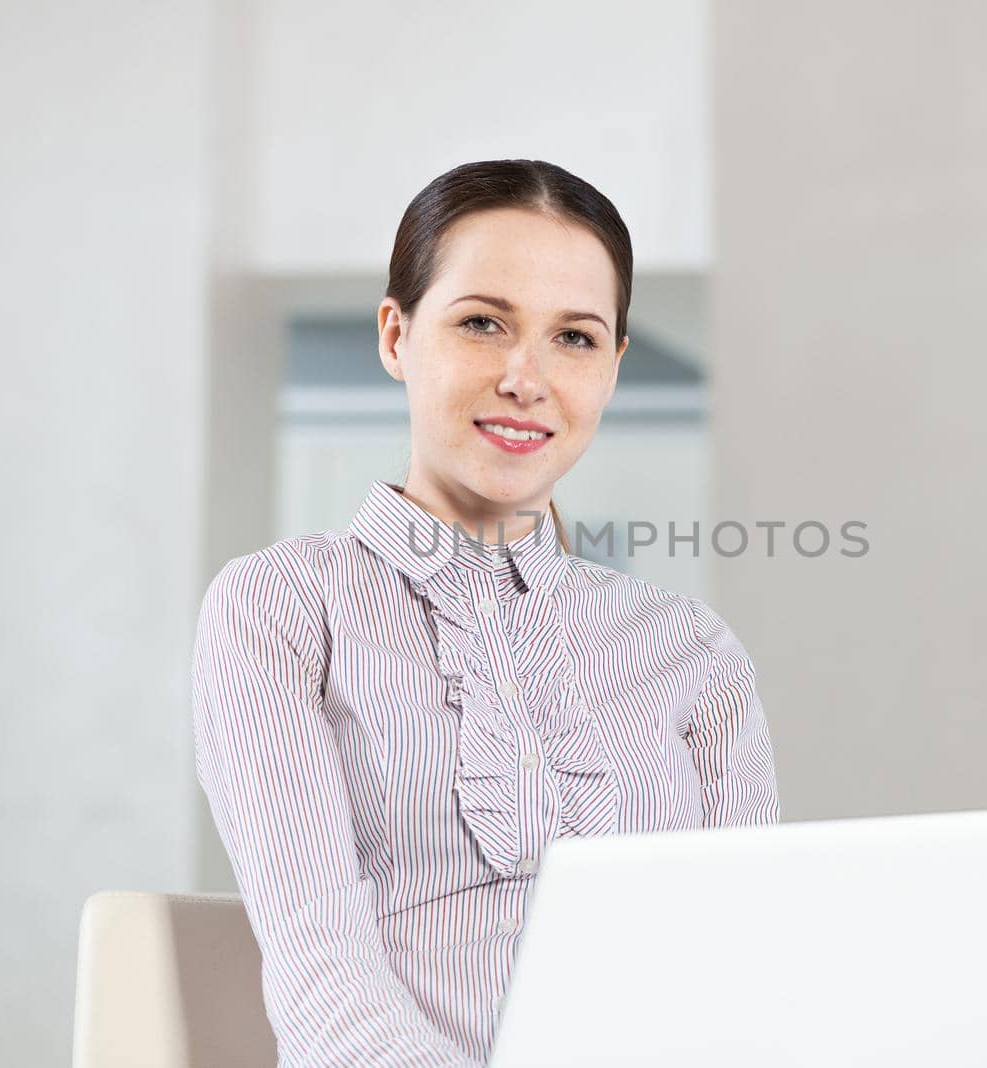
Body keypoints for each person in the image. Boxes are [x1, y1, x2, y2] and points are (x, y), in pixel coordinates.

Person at [190, 159, 780, 1067]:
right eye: (481, 323)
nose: (525, 378)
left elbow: (745, 970)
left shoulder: (691, 652)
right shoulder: (283, 608)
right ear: (397, 335)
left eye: (575, 338)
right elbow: (322, 977)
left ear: (614, 368)